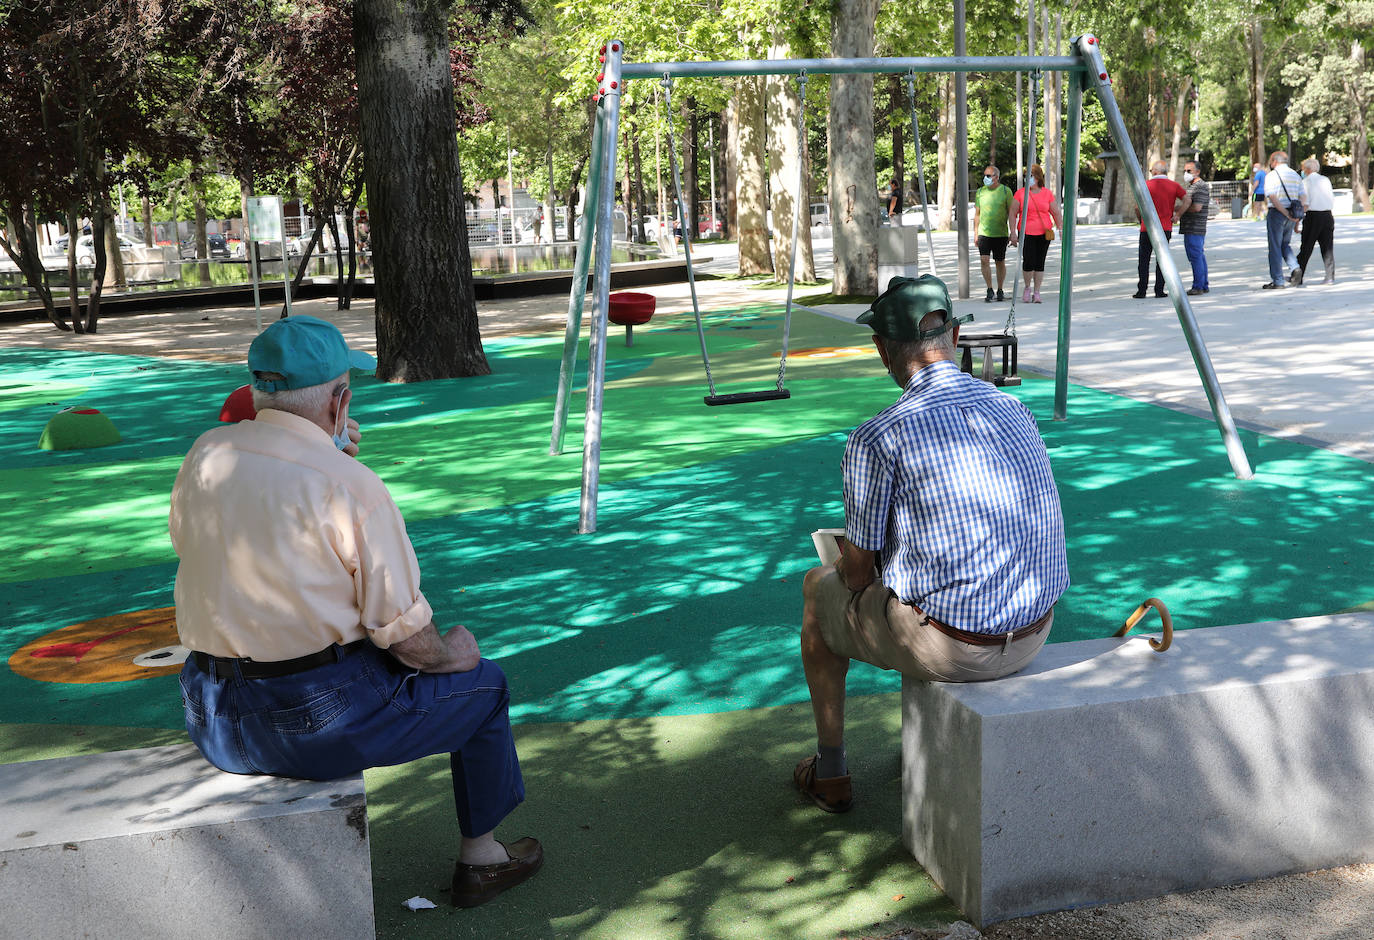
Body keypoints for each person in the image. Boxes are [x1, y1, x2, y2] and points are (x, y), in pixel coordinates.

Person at [169, 315, 541, 909]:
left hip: (209, 712)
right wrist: (454, 655)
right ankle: (483, 857)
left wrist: (326, 456)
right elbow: (408, 639)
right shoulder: (350, 484)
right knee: (484, 684)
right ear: (340, 402)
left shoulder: (206, 454)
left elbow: (193, 543)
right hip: (310, 724)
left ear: (258, 392)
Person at [793, 274, 1069, 814]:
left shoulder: (877, 436)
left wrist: (856, 556)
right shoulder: (1012, 409)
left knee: (817, 587)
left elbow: (856, 579)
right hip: (1035, 630)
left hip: (955, 646)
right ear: (956, 338)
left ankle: (830, 771)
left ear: (881, 351)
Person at [1132, 160, 1186, 299]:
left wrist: (1141, 220)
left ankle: (1142, 290)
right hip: (1165, 227)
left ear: (1155, 171)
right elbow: (1188, 199)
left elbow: (1137, 207)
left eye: (1151, 171)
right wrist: (1177, 215)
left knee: (1144, 260)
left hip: (1147, 228)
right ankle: (1159, 290)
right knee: (1162, 260)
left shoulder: (1145, 185)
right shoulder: (1174, 186)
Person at [1012, 164, 1062, 304]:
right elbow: (1012, 213)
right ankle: (1027, 287)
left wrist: (1060, 228)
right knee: (1029, 261)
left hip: (1044, 232)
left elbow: (1056, 212)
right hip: (1026, 232)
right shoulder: (1021, 193)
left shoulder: (1046, 193)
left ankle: (1037, 291)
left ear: (1038, 177)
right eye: (1027, 175)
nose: (1030, 178)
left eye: (1032, 175)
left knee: (1040, 262)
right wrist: (1012, 232)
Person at [973, 165, 1018, 303]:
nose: (985, 178)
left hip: (1000, 233)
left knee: (1000, 261)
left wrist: (1013, 232)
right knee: (984, 260)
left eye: (988, 175)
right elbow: (977, 214)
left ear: (996, 177)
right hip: (984, 233)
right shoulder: (980, 192)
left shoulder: (1005, 191)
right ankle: (989, 288)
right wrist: (975, 233)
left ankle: (1000, 289)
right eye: (985, 175)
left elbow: (1011, 213)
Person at [1261, 150, 1303, 290]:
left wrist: (1284, 212)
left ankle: (1278, 280)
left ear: (1274, 161)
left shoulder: (1272, 176)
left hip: (1277, 213)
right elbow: (1302, 196)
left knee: (1275, 246)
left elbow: (1272, 197)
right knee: (1285, 244)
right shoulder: (1295, 175)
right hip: (1292, 212)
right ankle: (1295, 267)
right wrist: (1295, 216)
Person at [1294, 157, 1336, 285]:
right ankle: (1330, 276)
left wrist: (1297, 221)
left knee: (1306, 247)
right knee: (1327, 247)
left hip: (1313, 216)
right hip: (1327, 215)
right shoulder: (1325, 180)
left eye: (1303, 169)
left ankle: (1298, 277)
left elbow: (1305, 203)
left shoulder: (1306, 182)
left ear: (1307, 169)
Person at [1175, 160, 1210, 295]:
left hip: (1195, 227)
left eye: (1189, 171)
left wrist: (1180, 209)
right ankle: (1203, 284)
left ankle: (1198, 286)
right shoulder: (1193, 186)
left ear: (1197, 172)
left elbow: (1197, 207)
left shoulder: (1199, 186)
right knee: (1199, 256)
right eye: (1185, 171)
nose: (1186, 174)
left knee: (1195, 256)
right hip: (1193, 227)